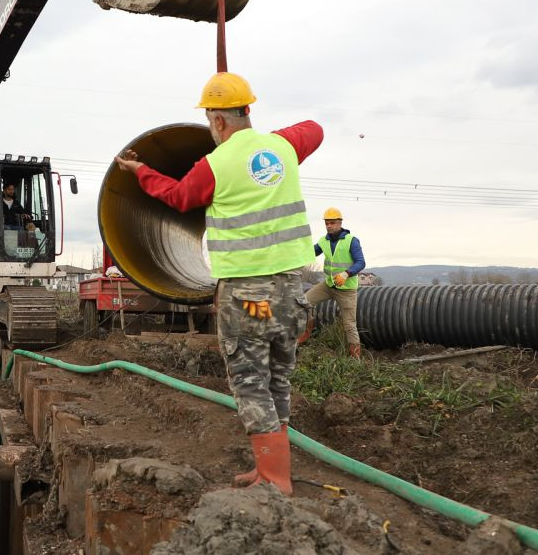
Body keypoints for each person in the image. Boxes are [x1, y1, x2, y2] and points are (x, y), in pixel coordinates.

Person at [114, 71, 322, 495]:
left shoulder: (215, 165)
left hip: (247, 295)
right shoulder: (283, 147)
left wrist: (139, 170)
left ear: (219, 121)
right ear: (248, 110)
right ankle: (268, 469)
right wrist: (271, 140)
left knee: (249, 382)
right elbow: (315, 130)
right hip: (290, 291)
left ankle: (276, 478)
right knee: (277, 379)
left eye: (211, 121)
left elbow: (177, 197)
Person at [306, 207, 366, 359]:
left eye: (332, 223)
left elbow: (361, 262)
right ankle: (304, 335)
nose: (329, 226)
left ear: (340, 223)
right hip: (328, 285)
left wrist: (346, 274)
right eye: (327, 223)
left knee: (349, 325)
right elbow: (310, 252)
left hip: (346, 289)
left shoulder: (351, 240)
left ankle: (355, 360)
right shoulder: (324, 241)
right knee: (304, 302)